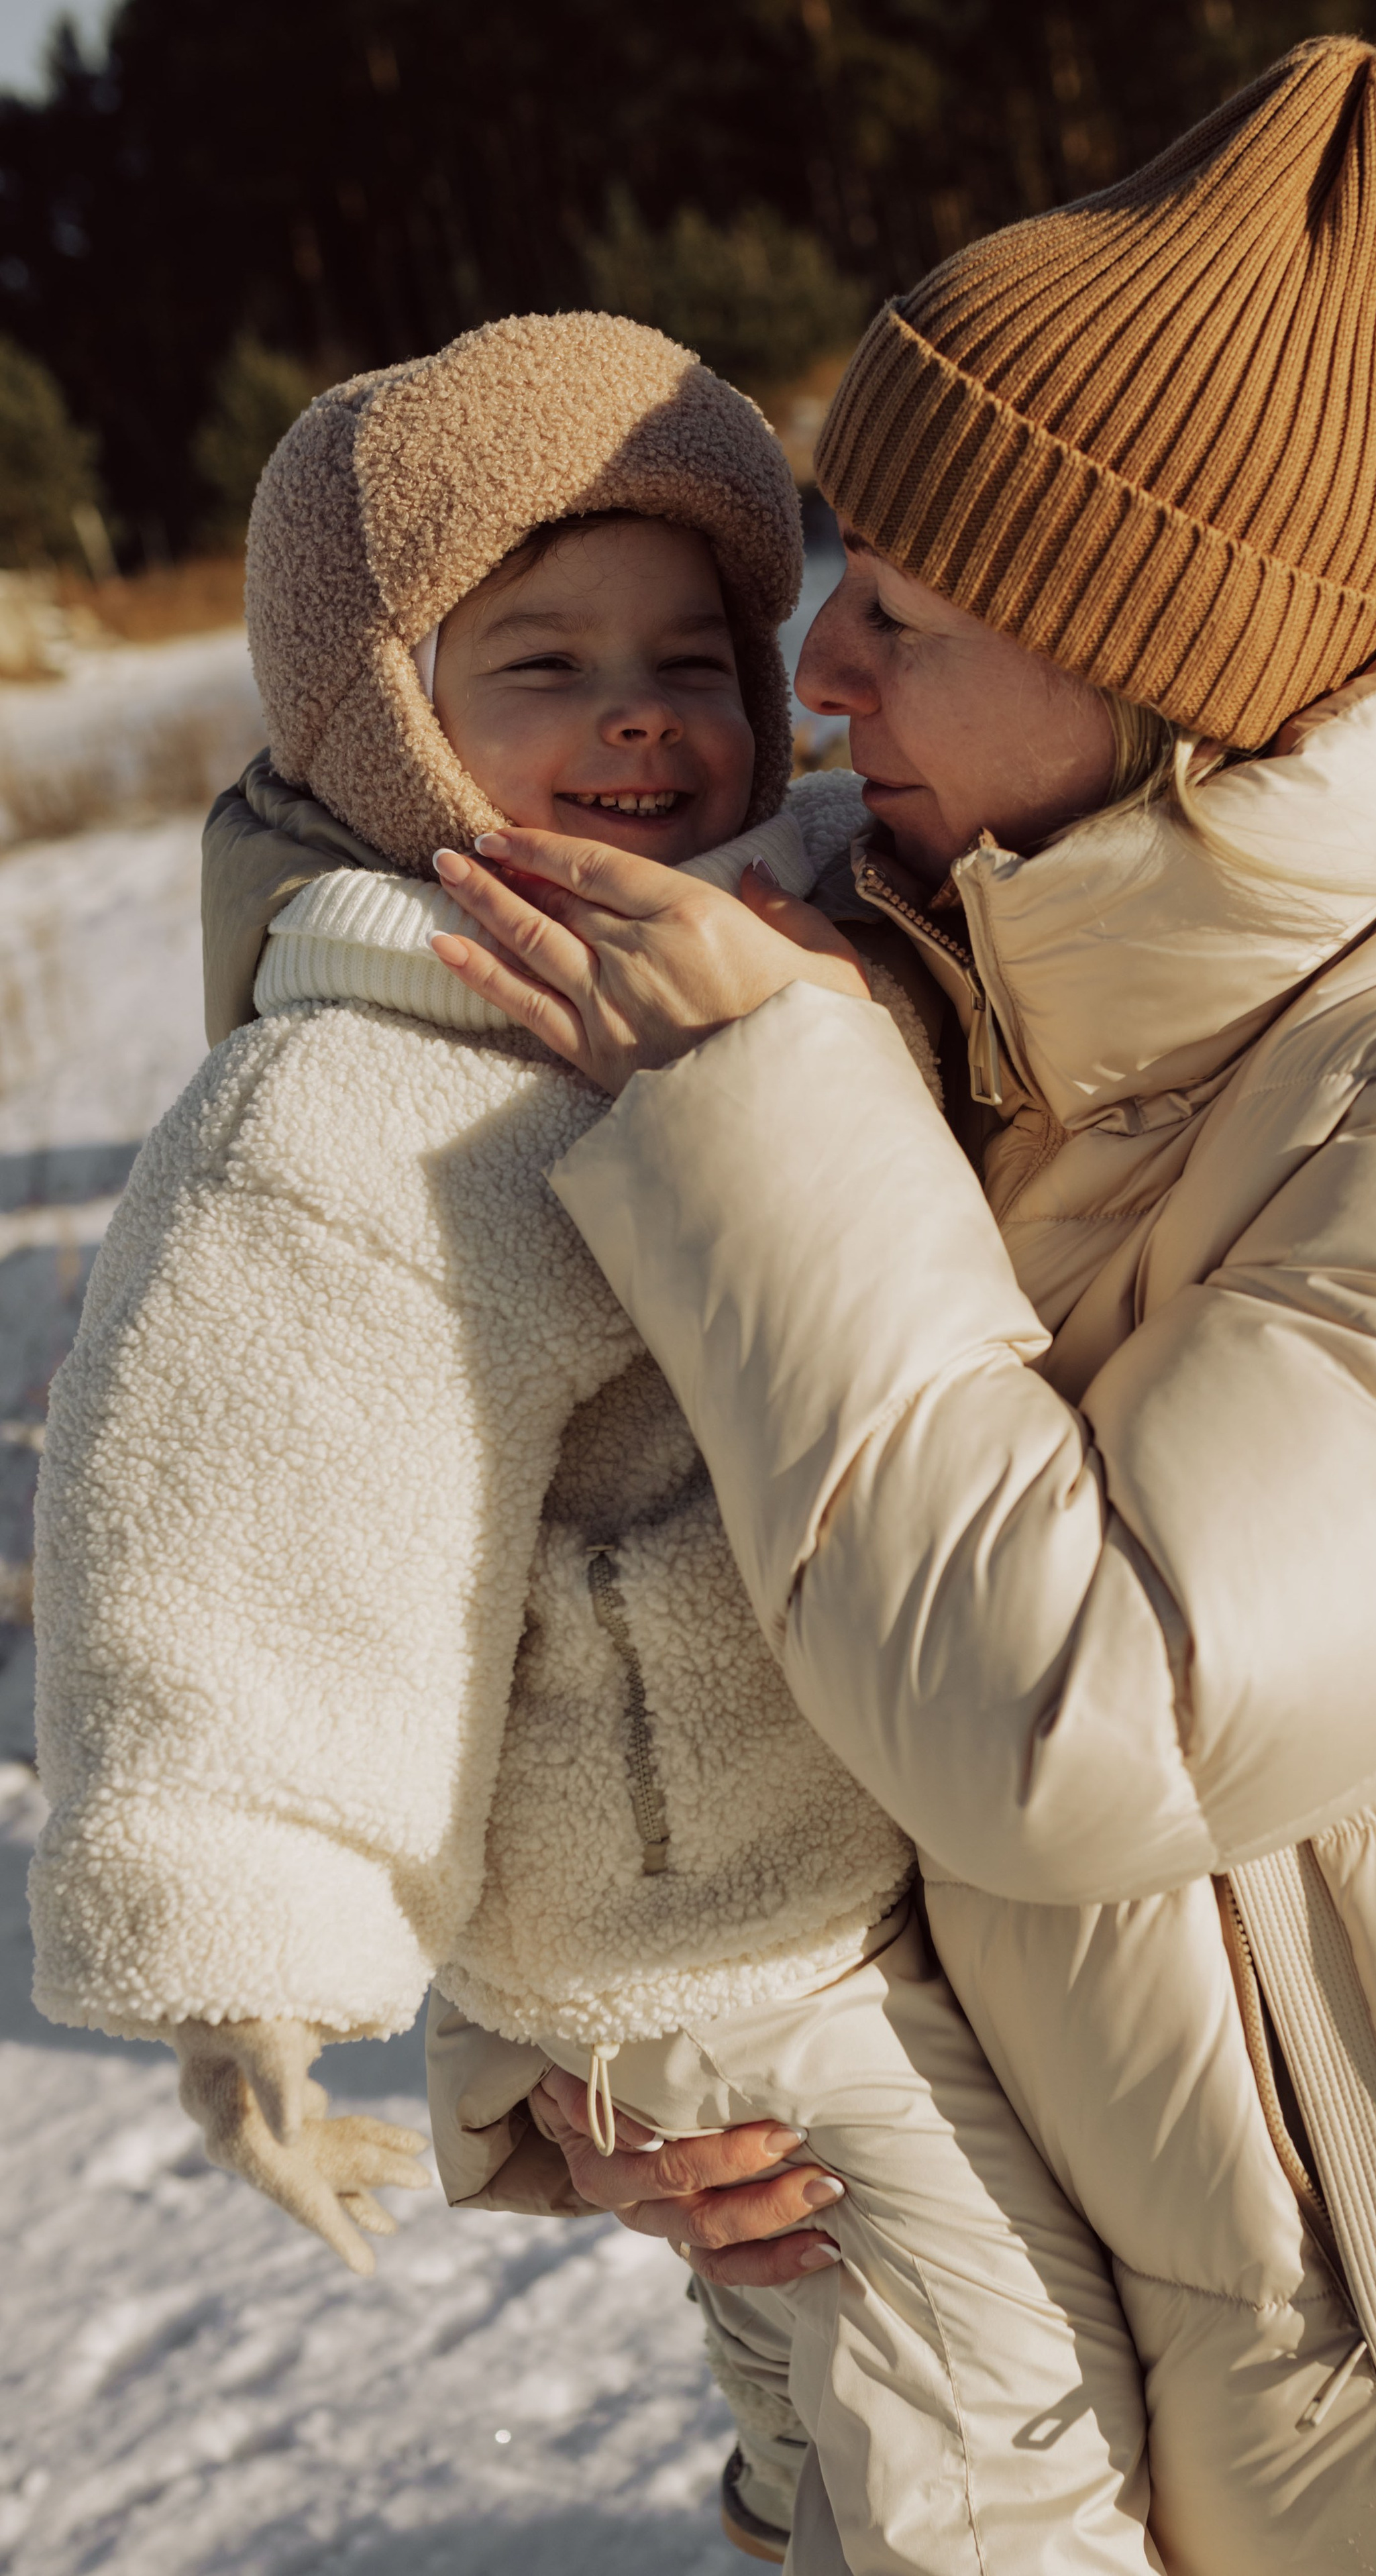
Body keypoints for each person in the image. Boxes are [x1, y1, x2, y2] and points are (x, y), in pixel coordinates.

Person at [427, 39, 1376, 2575]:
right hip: (1112, 2398)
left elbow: (1076, 1709)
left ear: (1156, 649)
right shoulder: (965, 987)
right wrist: (618, 2048)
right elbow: (730, 1596)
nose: (820, 683)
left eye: (901, 612)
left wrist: (771, 1112)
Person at [28, 313, 1160, 2575]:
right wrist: (251, 1953)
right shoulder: (383, 1074)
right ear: (390, 726)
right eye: (537, 664)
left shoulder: (814, 924)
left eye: (691, 655)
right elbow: (239, 1501)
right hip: (708, 1933)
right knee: (1002, 2426)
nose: (640, 712)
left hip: (841, 1848)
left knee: (833, 2402)